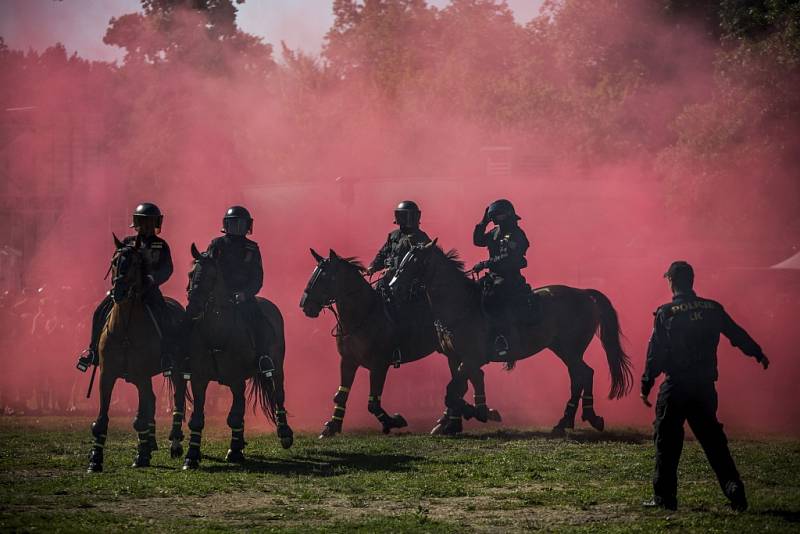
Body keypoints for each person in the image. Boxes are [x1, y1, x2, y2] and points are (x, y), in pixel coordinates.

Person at [641, 261, 770, 511]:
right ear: (692, 280)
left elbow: (655, 352)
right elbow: (736, 333)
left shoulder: (666, 312)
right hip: (704, 388)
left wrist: (646, 383)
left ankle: (665, 498)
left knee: (667, 441)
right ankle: (733, 486)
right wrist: (757, 353)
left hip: (676, 387)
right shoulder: (713, 308)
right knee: (714, 441)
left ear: (672, 281)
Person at [76, 203, 175, 374]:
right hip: (125, 290)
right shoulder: (127, 242)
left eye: (150, 223)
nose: (146, 226)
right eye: (143, 222)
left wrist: (153, 278)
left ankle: (166, 355)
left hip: (149, 291)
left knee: (164, 315)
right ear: (137, 223)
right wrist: (118, 283)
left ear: (155, 224)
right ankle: (93, 352)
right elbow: (118, 264)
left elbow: (167, 269)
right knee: (99, 312)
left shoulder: (161, 245)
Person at [201, 206, 273, 376]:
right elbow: (206, 270)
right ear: (226, 225)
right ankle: (189, 359)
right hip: (217, 296)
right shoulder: (216, 244)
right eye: (234, 224)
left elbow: (257, 278)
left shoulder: (252, 248)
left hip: (244, 298)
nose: (238, 228)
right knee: (196, 319)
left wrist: (245, 294)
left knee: (260, 323)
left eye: (241, 224)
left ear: (248, 226)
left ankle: (263, 358)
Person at [367, 200, 431, 365]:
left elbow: (424, 264)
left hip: (408, 288)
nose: (401, 219)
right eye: (400, 216)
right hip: (387, 283)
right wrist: (373, 267)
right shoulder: (393, 235)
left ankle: (397, 349)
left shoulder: (421, 238)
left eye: (404, 216)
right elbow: (383, 254)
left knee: (397, 316)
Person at [472, 199, 530, 358]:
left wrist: (485, 264)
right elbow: (477, 241)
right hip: (493, 276)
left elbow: (507, 258)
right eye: (494, 216)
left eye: (500, 215)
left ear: (509, 215)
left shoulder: (516, 234)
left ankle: (501, 337)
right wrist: (483, 222)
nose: (497, 219)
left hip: (509, 277)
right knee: (472, 291)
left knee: (492, 298)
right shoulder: (494, 232)